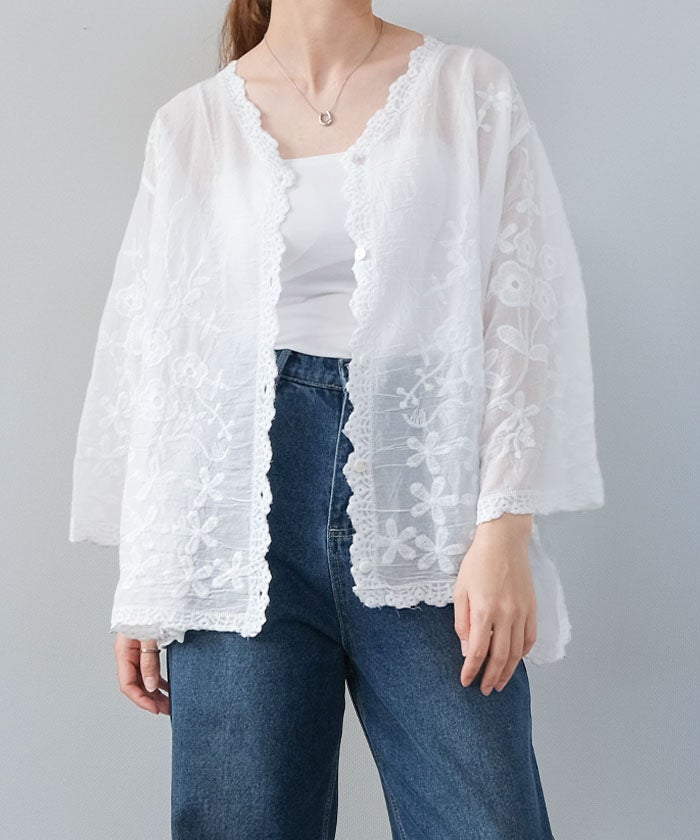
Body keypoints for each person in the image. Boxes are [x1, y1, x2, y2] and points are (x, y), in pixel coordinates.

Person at [69, 1, 605, 837]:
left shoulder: (468, 89)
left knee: (487, 820)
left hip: (424, 495)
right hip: (232, 517)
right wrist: (148, 579)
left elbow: (523, 311)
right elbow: (155, 356)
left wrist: (504, 527)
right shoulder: (191, 125)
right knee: (243, 823)